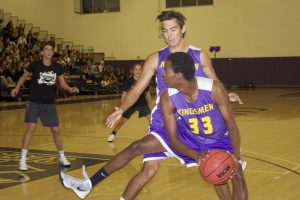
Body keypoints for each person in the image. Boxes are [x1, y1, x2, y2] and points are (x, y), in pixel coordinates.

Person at [60, 10, 243, 200]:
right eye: (165, 30)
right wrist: (122, 108)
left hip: (194, 119)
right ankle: (88, 185)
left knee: (216, 168)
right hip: (165, 119)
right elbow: (138, 89)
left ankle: (87, 186)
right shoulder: (156, 59)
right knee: (147, 167)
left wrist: (227, 93)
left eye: (173, 29)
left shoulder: (199, 56)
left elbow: (215, 82)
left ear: (183, 29)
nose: (169, 35)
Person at [160, 52, 247, 199]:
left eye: (166, 70)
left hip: (222, 136)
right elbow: (173, 138)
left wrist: (236, 156)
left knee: (236, 173)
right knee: (217, 176)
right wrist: (196, 155)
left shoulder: (214, 89)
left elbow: (231, 124)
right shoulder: (167, 98)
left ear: (179, 75)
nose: (163, 74)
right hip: (197, 139)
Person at [11, 42, 79, 171]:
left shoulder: (57, 67)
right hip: (34, 102)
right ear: (42, 53)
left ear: (53, 53)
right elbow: (23, 77)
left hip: (49, 103)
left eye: (51, 50)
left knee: (56, 130)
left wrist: (70, 89)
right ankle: (23, 159)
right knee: (30, 128)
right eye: (46, 49)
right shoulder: (35, 65)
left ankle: (62, 156)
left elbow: (62, 84)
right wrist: (17, 87)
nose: (48, 51)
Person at [107, 63, 152, 142]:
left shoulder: (144, 81)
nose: (138, 71)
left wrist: (150, 105)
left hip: (142, 104)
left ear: (142, 71)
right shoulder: (129, 81)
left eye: (139, 69)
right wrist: (122, 107)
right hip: (130, 104)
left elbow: (147, 94)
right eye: (136, 69)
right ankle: (113, 134)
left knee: (152, 121)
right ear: (133, 71)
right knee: (122, 122)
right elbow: (124, 94)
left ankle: (158, 136)